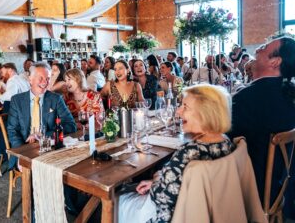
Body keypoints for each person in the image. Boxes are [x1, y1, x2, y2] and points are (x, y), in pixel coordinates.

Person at [119, 84, 237, 222]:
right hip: (208, 210)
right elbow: (188, 183)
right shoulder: (226, 142)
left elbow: (162, 198)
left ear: (205, 113)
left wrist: (158, 181)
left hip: (170, 216)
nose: (178, 112)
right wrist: (160, 180)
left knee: (118, 197)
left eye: (185, 107)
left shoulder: (188, 153)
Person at [228, 37, 295, 217]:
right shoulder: (289, 93)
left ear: (275, 62)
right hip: (283, 186)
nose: (257, 50)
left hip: (253, 190)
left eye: (263, 48)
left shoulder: (249, 98)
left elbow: (220, 139)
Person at [5, 63, 76, 171]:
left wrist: (44, 136)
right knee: (35, 168)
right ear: (30, 80)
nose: (45, 82)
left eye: (47, 78)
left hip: (50, 148)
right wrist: (22, 152)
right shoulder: (17, 100)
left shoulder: (56, 99)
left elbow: (70, 125)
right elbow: (12, 130)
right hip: (24, 147)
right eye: (41, 78)